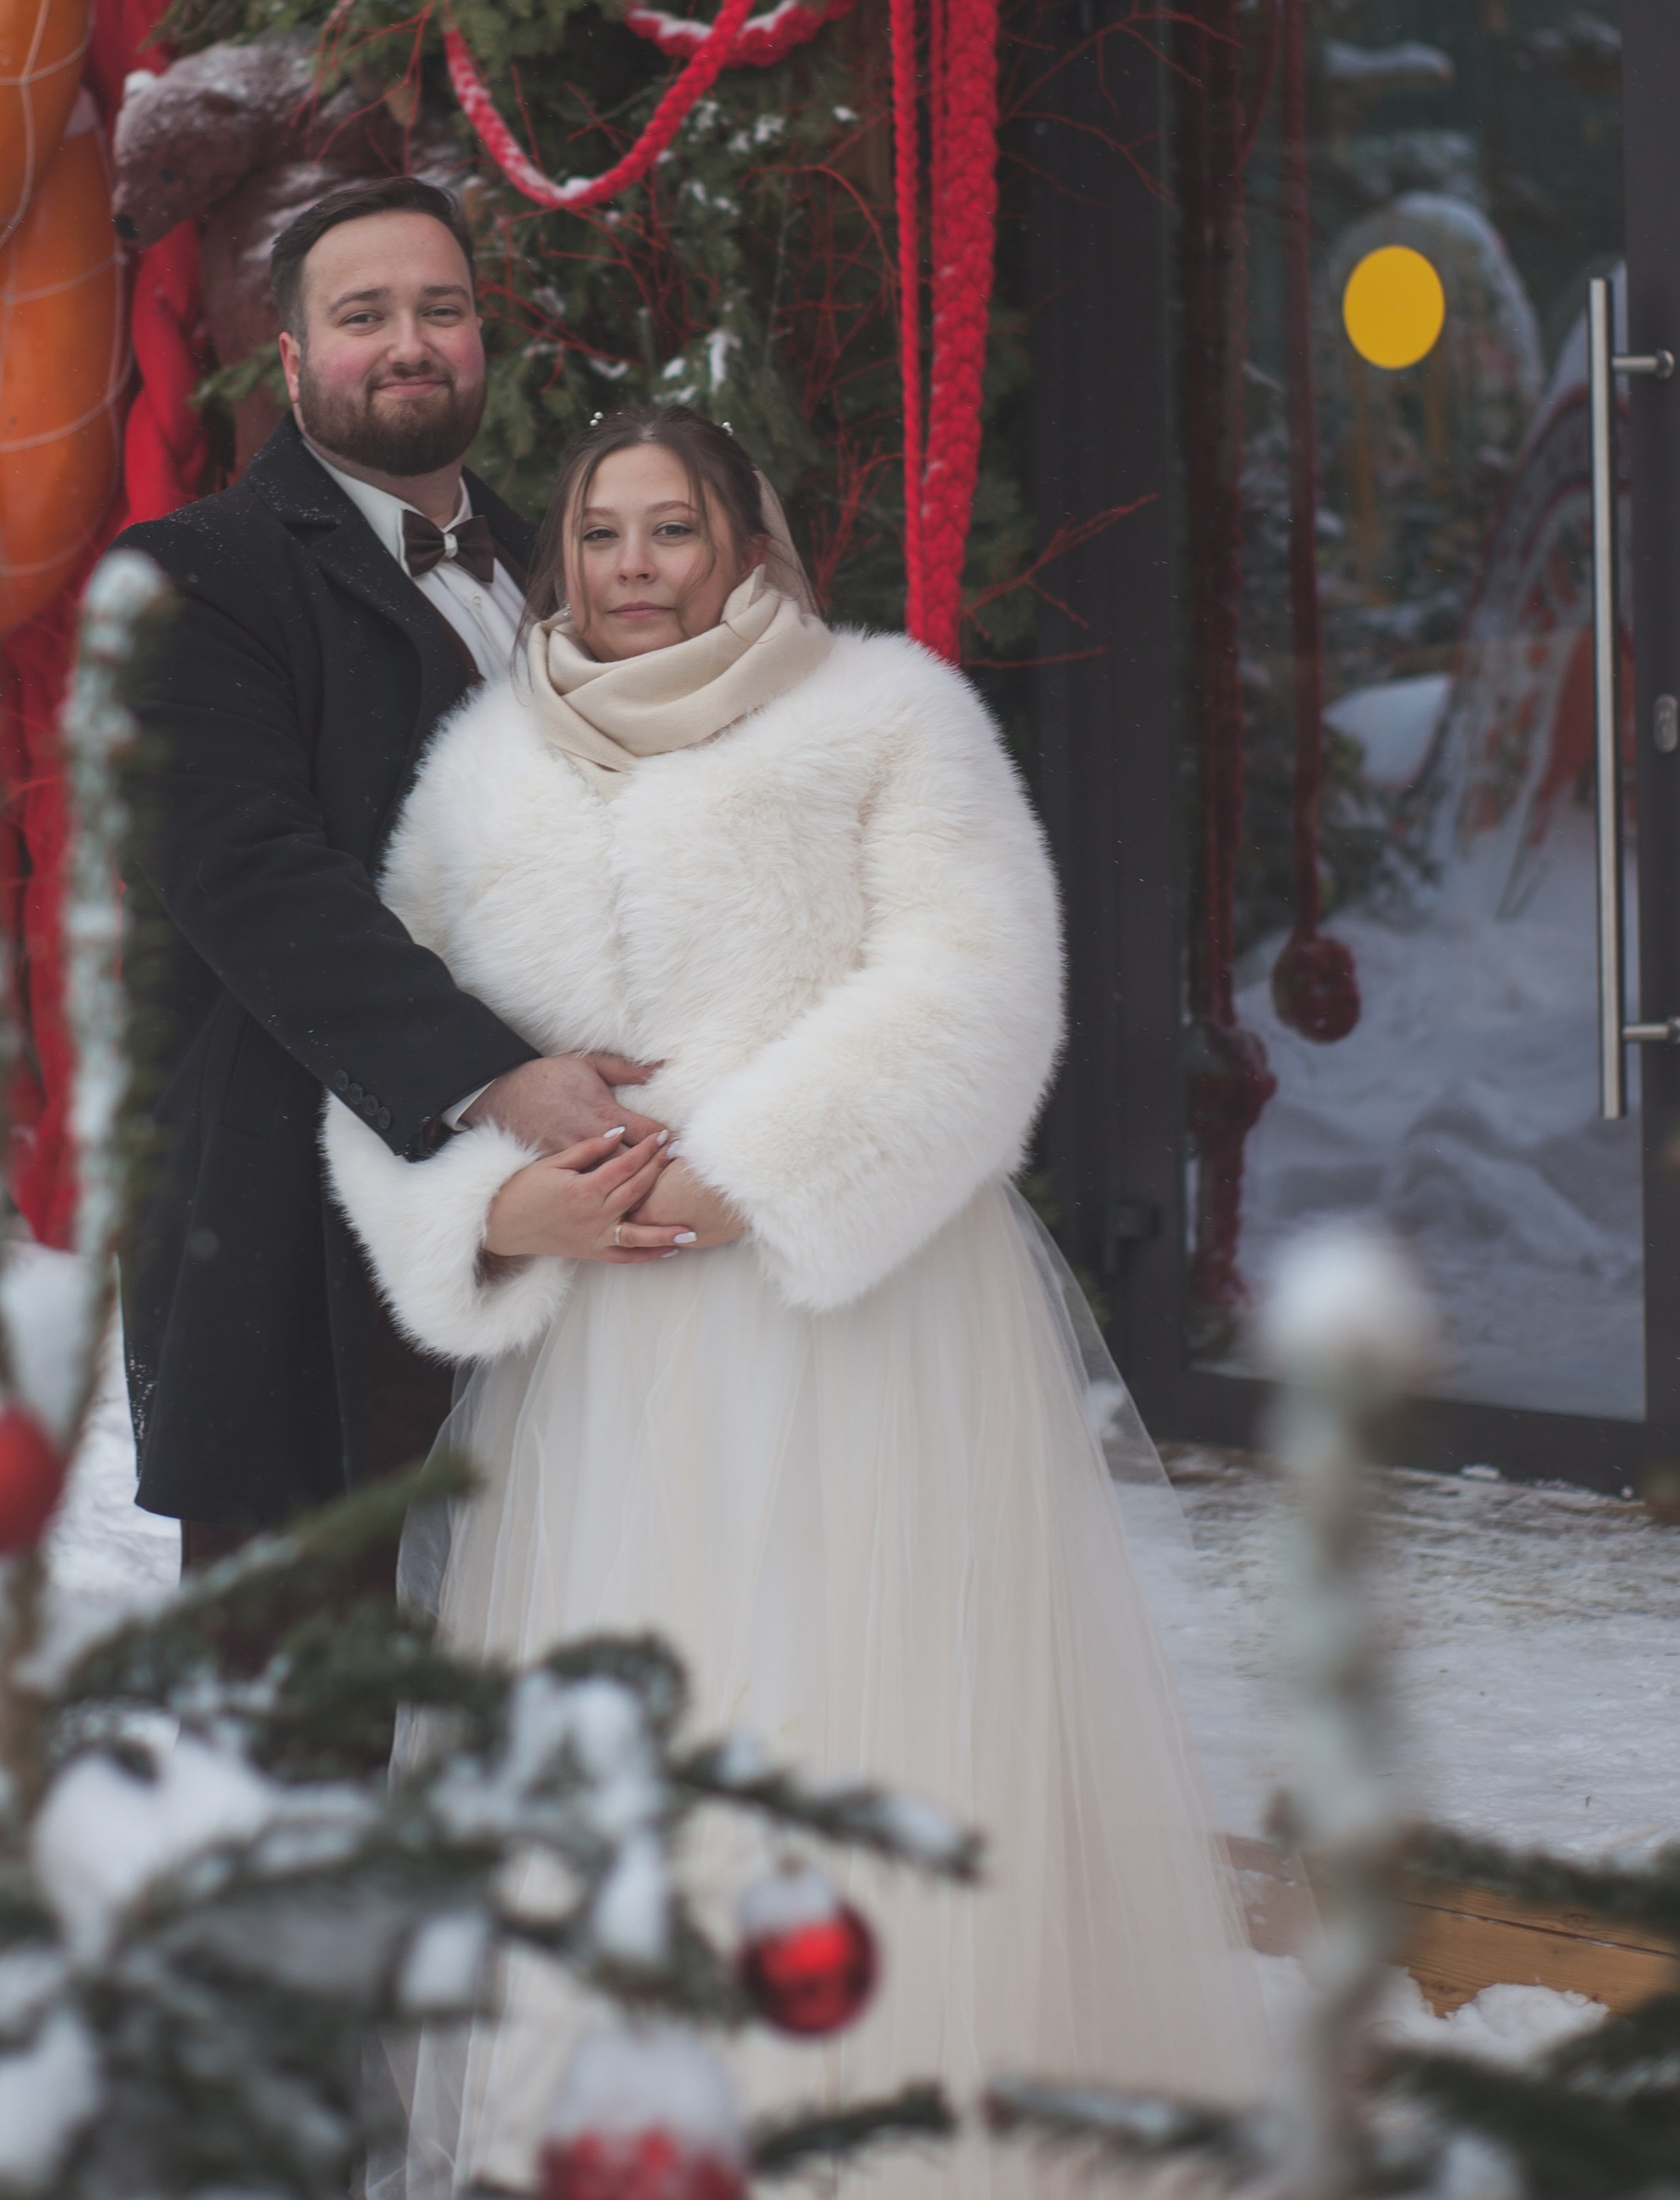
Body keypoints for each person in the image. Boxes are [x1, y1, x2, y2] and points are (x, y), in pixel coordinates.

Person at [325, 405, 1270, 2190]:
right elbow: (393, 1044)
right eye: (597, 536)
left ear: (744, 544)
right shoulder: (480, 774)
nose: (629, 571)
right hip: (596, 1363)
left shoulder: (882, 718)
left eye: (669, 531)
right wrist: (490, 1210)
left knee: (841, 1713)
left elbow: (970, 987)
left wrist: (736, 1174)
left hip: (847, 1319)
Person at [117, 180, 679, 1572]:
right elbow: (249, 876)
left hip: (578, 1227)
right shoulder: (196, 576)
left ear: (484, 341)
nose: (409, 342)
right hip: (303, 1228)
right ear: (298, 363)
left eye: (442, 309)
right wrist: (493, 1078)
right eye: (363, 316)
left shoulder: (573, 569)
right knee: (313, 1704)